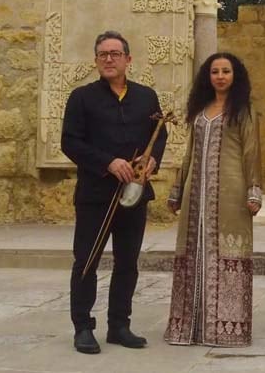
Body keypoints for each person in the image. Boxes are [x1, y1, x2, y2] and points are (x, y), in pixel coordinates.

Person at [62, 30, 167, 354]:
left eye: (115, 54)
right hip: (96, 194)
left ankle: (119, 325)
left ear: (128, 60)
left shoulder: (146, 96)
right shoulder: (81, 97)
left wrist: (152, 160)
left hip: (134, 194)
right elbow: (71, 142)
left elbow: (158, 133)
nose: (109, 59)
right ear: (96, 61)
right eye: (103, 54)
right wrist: (108, 162)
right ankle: (83, 327)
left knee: (127, 262)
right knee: (87, 261)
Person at [164, 52, 262, 347]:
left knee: (228, 256)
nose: (220, 76)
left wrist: (254, 190)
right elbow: (188, 153)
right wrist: (177, 190)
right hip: (196, 195)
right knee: (192, 255)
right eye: (215, 71)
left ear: (236, 76)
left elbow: (252, 152)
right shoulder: (199, 111)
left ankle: (227, 329)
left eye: (226, 71)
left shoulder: (243, 110)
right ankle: (188, 328)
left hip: (230, 195)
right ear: (208, 76)